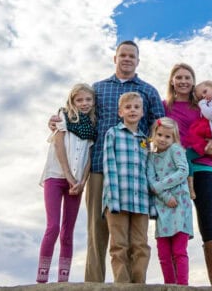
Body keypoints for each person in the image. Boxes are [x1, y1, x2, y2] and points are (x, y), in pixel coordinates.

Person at [49, 40, 165, 282]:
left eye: (132, 56)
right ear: (115, 58)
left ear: (138, 61)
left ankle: (131, 284)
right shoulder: (98, 89)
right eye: (122, 55)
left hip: (134, 171)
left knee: (132, 234)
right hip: (99, 166)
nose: (127, 59)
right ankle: (94, 283)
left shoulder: (148, 91)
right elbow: (77, 113)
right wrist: (56, 120)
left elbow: (161, 128)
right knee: (96, 230)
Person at [164, 63, 212, 286]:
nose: (183, 81)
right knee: (173, 230)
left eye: (187, 78)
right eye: (179, 77)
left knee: (209, 226)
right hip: (174, 174)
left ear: (193, 82)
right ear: (172, 81)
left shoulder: (205, 106)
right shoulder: (164, 107)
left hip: (203, 168)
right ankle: (176, 284)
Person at [36, 83, 96, 283]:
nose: (84, 103)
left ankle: (63, 281)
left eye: (88, 99)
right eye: (79, 100)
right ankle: (42, 278)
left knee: (67, 231)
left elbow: (89, 158)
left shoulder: (93, 126)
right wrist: (69, 177)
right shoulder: (62, 117)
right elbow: (59, 148)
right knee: (53, 226)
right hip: (56, 177)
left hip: (76, 184)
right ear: (72, 101)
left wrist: (82, 182)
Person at [101, 91, 152, 282]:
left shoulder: (145, 140)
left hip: (141, 200)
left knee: (141, 245)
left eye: (136, 107)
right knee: (119, 245)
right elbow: (109, 166)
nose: (132, 110)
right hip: (117, 199)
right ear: (120, 112)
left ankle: (139, 283)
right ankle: (122, 285)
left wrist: (151, 204)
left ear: (142, 112)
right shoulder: (113, 134)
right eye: (128, 107)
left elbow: (148, 170)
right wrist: (112, 198)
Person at [146, 117, 193, 285]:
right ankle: (170, 285)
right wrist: (165, 196)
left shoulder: (175, 150)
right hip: (162, 207)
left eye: (167, 136)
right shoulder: (151, 157)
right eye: (159, 135)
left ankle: (182, 286)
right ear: (153, 135)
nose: (163, 139)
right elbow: (151, 181)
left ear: (174, 138)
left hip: (180, 205)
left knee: (179, 250)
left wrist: (160, 187)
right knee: (163, 254)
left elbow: (183, 171)